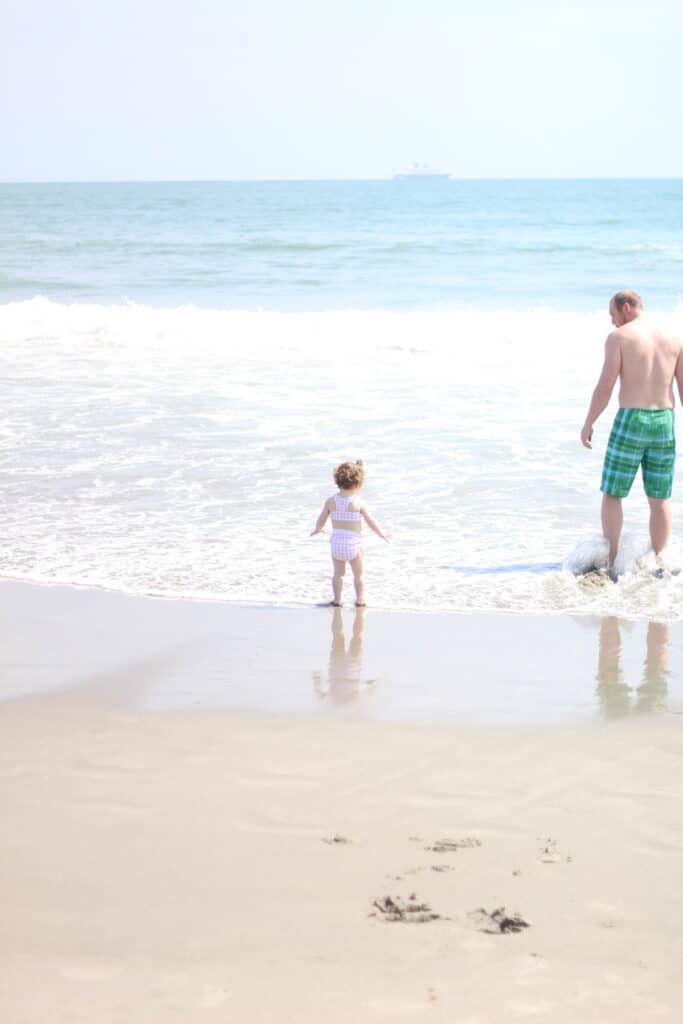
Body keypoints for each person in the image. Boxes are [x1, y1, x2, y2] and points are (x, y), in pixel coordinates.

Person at [581, 290, 683, 570]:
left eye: (613, 316)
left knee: (613, 492)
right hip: (664, 420)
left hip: (631, 420)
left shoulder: (619, 338)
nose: (613, 323)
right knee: (660, 496)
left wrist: (589, 421)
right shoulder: (674, 339)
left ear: (626, 307)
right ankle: (661, 561)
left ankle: (611, 561)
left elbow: (605, 387)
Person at [310, 460, 390, 606]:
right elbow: (371, 521)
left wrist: (318, 528)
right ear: (359, 483)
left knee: (338, 575)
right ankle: (360, 599)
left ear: (337, 480)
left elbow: (321, 518)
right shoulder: (358, 503)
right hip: (353, 544)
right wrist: (381, 533)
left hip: (336, 544)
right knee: (359, 575)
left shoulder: (330, 501)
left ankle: (337, 600)